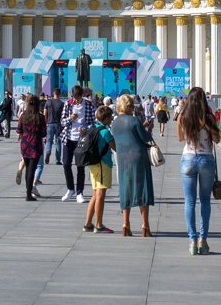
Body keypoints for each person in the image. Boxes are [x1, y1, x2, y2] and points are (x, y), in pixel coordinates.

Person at [178, 87, 220, 256]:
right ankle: (203, 239)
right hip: (206, 159)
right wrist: (208, 129)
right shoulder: (209, 117)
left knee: (189, 201)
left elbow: (180, 138)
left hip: (188, 158)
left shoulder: (183, 116)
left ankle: (192, 241)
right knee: (204, 201)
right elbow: (217, 139)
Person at [111, 95, 155, 237]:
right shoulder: (135, 120)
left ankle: (125, 224)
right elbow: (145, 137)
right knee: (143, 188)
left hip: (123, 158)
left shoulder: (114, 123)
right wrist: (148, 128)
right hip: (138, 157)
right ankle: (145, 225)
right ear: (129, 107)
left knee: (126, 188)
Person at [82, 105, 116, 233]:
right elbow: (115, 147)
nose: (112, 118)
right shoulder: (105, 132)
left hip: (92, 164)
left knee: (95, 194)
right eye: (111, 116)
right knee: (101, 195)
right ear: (106, 118)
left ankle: (88, 223)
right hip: (103, 163)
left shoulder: (92, 128)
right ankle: (99, 225)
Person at [61, 85, 96, 203]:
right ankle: (70, 188)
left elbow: (93, 123)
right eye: (73, 97)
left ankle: (79, 192)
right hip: (68, 138)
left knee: (80, 166)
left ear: (81, 95)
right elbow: (62, 121)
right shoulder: (68, 104)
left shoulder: (89, 105)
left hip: (81, 139)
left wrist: (85, 129)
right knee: (66, 164)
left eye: (77, 98)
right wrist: (70, 118)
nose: (75, 100)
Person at [16, 94, 45, 201]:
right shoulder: (40, 117)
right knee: (32, 169)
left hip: (25, 144)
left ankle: (28, 192)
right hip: (35, 144)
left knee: (28, 167)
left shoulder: (23, 116)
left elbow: (19, 130)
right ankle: (29, 194)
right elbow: (43, 132)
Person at [43, 89, 66, 166]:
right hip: (58, 124)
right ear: (59, 94)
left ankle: (48, 151)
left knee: (49, 140)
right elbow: (64, 115)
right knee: (58, 142)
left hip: (49, 124)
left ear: (53, 93)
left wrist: (45, 122)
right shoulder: (62, 103)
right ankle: (58, 160)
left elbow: (44, 113)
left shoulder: (48, 102)